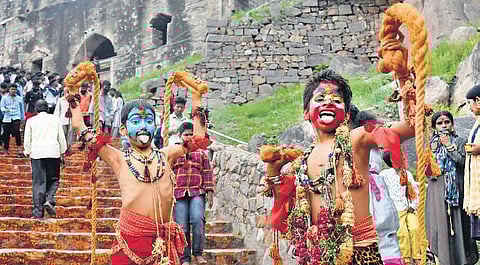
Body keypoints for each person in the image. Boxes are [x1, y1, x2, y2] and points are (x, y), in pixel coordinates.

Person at [260, 67, 414, 264]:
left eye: (336, 99)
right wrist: (273, 170)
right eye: (320, 98)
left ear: (347, 114)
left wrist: (406, 84)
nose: (328, 102)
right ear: (306, 112)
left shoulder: (357, 138)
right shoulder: (302, 162)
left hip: (359, 252)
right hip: (318, 255)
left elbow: (409, 128)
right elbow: (283, 209)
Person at [67, 66, 210, 265]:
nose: (143, 125)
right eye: (136, 121)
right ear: (124, 130)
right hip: (130, 239)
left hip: (163, 240)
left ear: (156, 125)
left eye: (148, 120)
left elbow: (199, 138)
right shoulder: (117, 158)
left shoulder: (167, 154)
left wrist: (196, 97)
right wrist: (73, 92)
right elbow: (80, 128)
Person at [429, 110, 478, 265]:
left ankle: (464, 260)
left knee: (459, 224)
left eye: (447, 122)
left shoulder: (460, 141)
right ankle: (445, 260)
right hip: (436, 188)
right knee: (441, 225)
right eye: (439, 123)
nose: (444, 125)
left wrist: (449, 146)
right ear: (434, 127)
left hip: (456, 189)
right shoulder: (430, 144)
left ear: (452, 124)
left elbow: (464, 163)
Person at [354, 111, 403, 265]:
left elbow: (388, 147)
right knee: (371, 225)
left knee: (386, 222)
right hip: (361, 186)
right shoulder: (354, 141)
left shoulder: (372, 139)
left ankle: (391, 259)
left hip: (376, 186)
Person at [172, 120, 215, 265]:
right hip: (178, 194)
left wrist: (209, 191)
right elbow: (167, 173)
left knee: (197, 220)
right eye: (186, 135)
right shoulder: (174, 152)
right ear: (180, 136)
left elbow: (207, 172)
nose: (189, 137)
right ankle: (185, 258)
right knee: (182, 226)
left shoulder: (201, 154)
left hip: (197, 192)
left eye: (191, 134)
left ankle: (198, 254)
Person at [23, 99, 67, 218]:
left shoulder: (31, 121)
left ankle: (38, 212)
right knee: (54, 179)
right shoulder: (55, 119)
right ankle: (50, 198)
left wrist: (27, 151)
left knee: (39, 182)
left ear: (36, 109)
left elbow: (27, 138)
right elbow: (61, 137)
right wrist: (63, 151)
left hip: (37, 153)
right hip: (53, 152)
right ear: (47, 109)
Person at [380, 152, 420, 265]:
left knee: (415, 228)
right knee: (402, 234)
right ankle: (406, 259)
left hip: (408, 208)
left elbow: (415, 191)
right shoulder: (385, 175)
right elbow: (381, 190)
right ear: (391, 161)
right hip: (395, 209)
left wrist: (413, 205)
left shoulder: (407, 174)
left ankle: (417, 256)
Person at [0, 84, 24, 155]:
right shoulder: (4, 98)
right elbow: (1, 107)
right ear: (9, 90)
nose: (13, 91)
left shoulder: (20, 98)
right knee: (6, 134)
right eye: (12, 89)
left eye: (14, 89)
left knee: (17, 131)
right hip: (7, 117)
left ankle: (19, 148)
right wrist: (5, 110)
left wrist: (23, 118)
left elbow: (22, 108)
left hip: (16, 116)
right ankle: (6, 149)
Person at [53, 87, 74, 155]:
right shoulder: (60, 100)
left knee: (70, 134)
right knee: (63, 134)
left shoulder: (73, 100)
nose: (67, 94)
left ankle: (69, 147)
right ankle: (63, 149)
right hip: (62, 120)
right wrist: (56, 120)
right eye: (66, 92)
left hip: (71, 119)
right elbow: (57, 111)